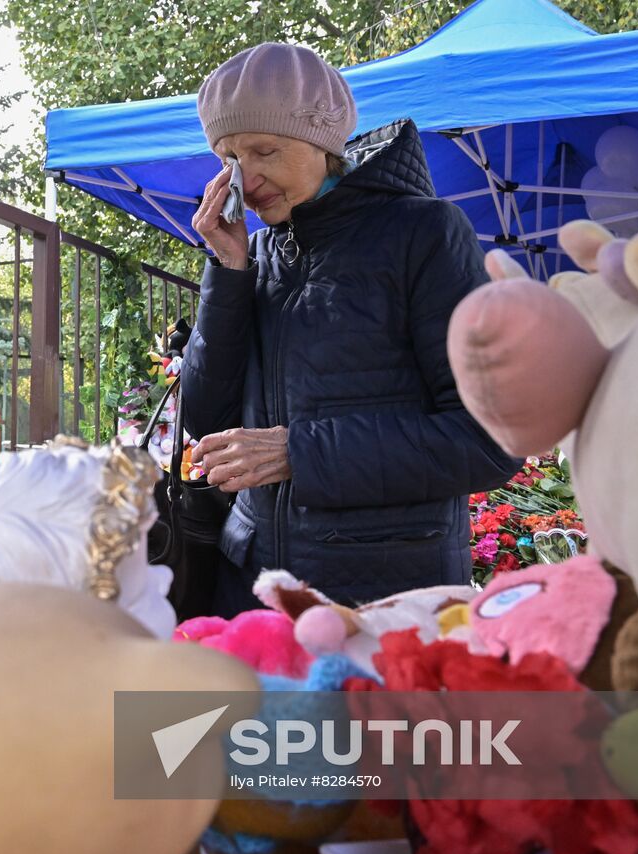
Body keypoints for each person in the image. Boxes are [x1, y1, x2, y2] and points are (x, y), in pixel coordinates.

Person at [183, 43, 523, 615]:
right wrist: (229, 273)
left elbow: (491, 441)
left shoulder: (424, 234)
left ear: (323, 142)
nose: (245, 176)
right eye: (228, 157)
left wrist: (301, 453)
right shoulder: (254, 252)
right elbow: (205, 419)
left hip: (383, 602)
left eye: (265, 149)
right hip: (257, 597)